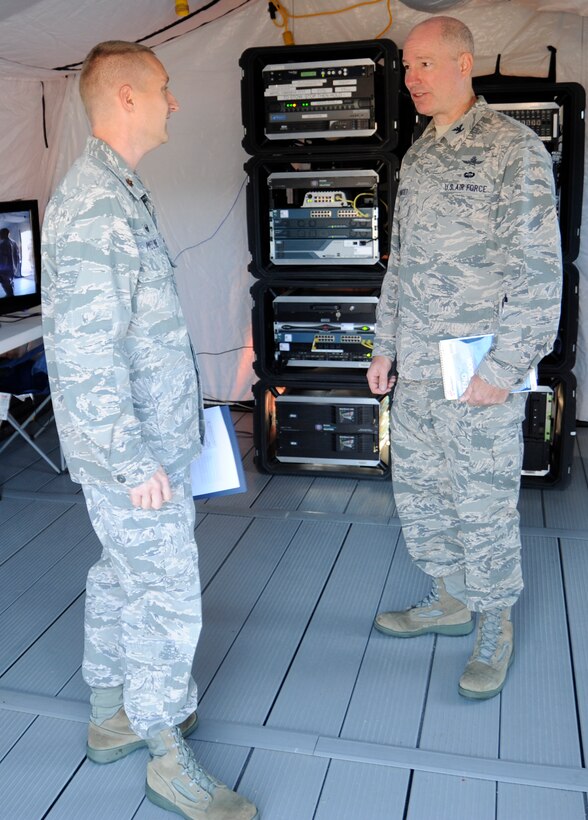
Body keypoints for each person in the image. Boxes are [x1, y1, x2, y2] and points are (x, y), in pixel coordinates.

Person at [41, 41, 258, 819]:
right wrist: (132, 459)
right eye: (163, 89)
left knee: (124, 576)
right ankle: (166, 753)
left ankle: (113, 714)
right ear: (126, 97)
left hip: (150, 442)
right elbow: (85, 353)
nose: (174, 102)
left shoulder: (116, 188)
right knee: (165, 593)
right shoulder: (95, 205)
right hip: (131, 452)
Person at [367, 17, 561, 700]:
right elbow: (401, 264)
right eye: (408, 67)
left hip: (476, 373)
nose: (412, 78)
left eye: (424, 64)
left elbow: (539, 273)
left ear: (463, 63)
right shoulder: (420, 150)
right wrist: (382, 346)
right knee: (421, 496)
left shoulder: (513, 149)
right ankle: (450, 599)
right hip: (416, 370)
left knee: (482, 503)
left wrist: (502, 371)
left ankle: (494, 623)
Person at [0, 226, 20, 297]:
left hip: (5, 270)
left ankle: (10, 296)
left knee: (6, 284)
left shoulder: (2, 244)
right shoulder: (14, 243)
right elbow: (17, 256)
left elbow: (2, 259)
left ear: (2, 234)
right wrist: (16, 267)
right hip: (13, 268)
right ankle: (10, 294)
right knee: (10, 282)